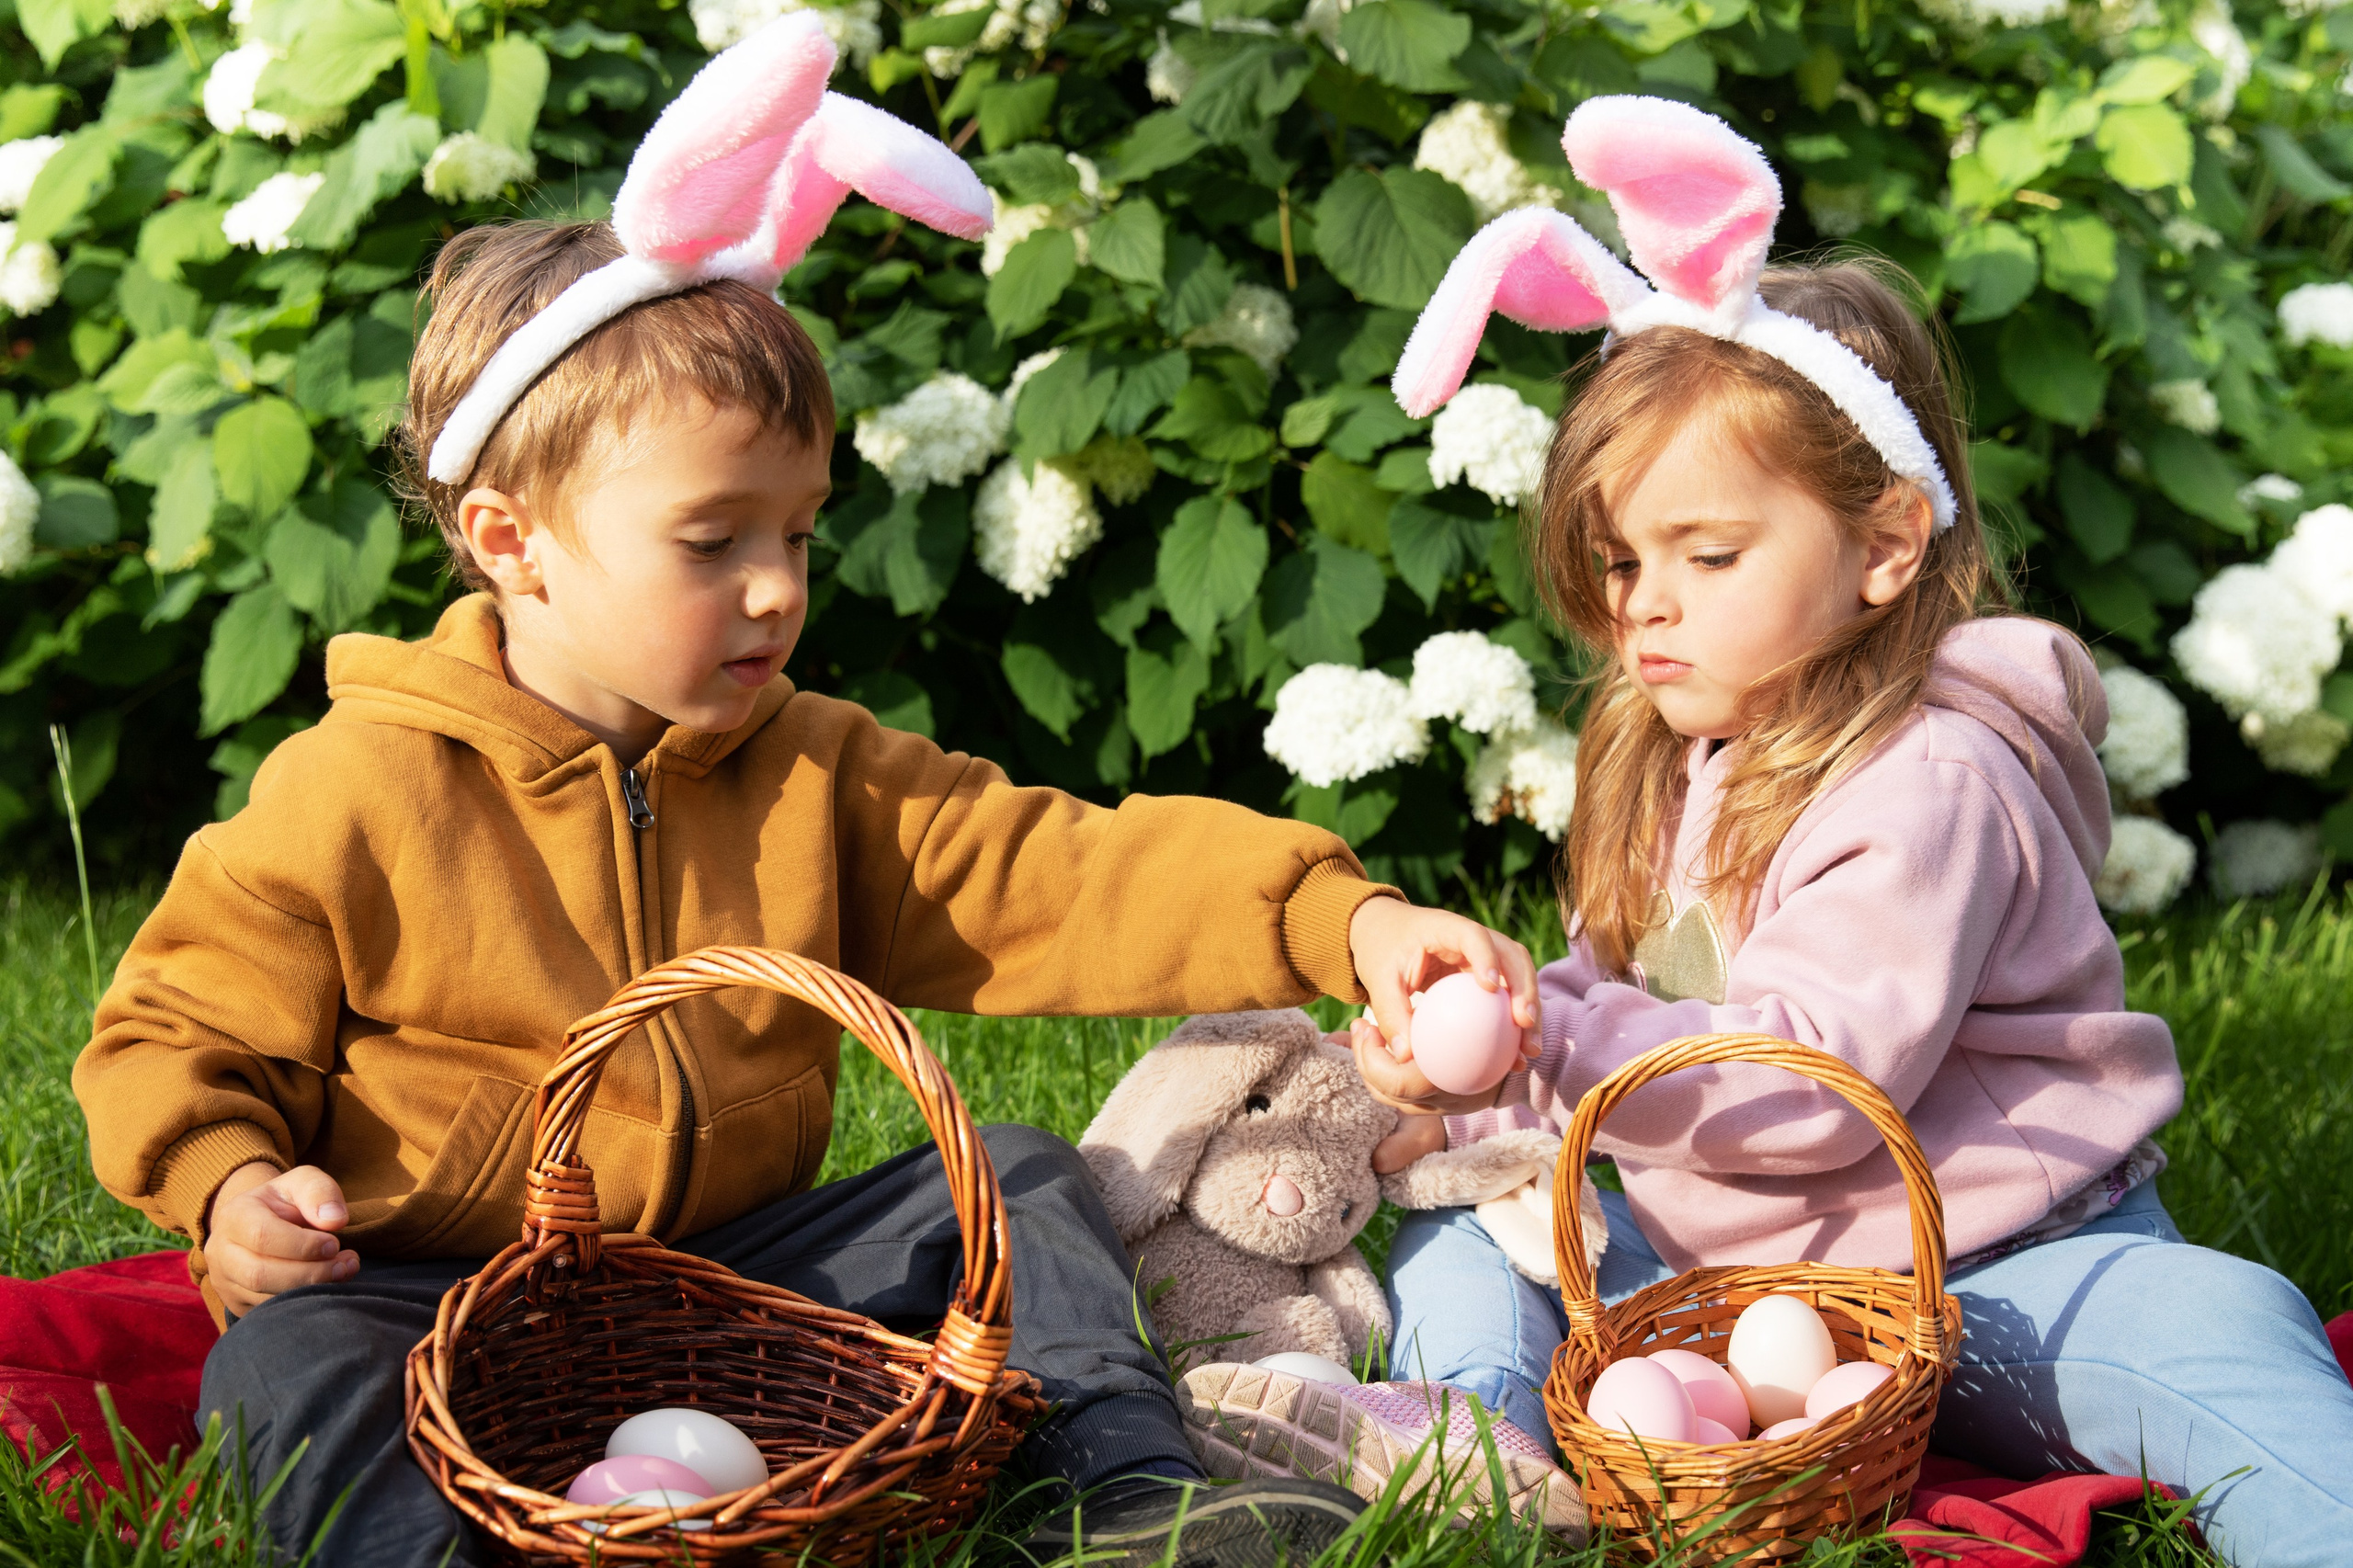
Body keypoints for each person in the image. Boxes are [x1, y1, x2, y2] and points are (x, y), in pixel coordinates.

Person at [68, 22, 1544, 1567]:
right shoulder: (357, 784)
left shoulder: (812, 768)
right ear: (514, 540)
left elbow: (1058, 870)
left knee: (1024, 1178)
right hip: (436, 1294)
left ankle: (1132, 1490)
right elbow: (174, 1030)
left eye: (801, 531)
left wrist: (1342, 913)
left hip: (736, 1287)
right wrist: (232, 1187)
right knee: (280, 1366)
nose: (777, 589)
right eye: (714, 543)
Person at [1215, 96, 2353, 1563]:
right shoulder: (1676, 753)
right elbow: (1621, 1014)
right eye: (1623, 559)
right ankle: (1479, 1437)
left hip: (1997, 1273)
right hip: (1736, 1281)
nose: (1646, 602)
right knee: (1472, 1219)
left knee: (2205, 1338)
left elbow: (1807, 1081)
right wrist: (1486, 1079)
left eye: (1710, 553)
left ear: (1884, 544)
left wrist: (1554, 1040)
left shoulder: (1931, 776)